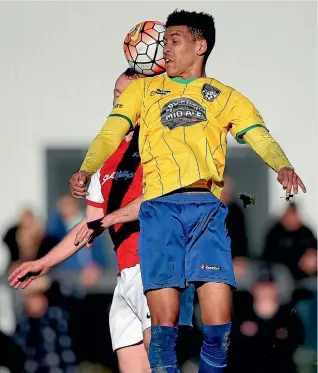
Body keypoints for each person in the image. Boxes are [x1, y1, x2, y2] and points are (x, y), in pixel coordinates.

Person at [69, 10, 307, 373]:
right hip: (160, 213)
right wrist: (87, 168)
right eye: (164, 42)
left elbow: (259, 134)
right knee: (163, 334)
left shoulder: (225, 97)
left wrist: (282, 164)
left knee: (218, 332)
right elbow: (109, 132)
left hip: (206, 213)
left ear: (200, 45)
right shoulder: (144, 91)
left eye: (174, 41)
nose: (166, 49)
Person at [8, 68, 194, 373]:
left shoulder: (164, 146)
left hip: (160, 267)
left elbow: (155, 199)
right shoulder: (107, 159)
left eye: (125, 95)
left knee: (161, 362)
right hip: (126, 277)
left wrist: (108, 220)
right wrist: (44, 263)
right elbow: (88, 226)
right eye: (115, 96)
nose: (118, 102)